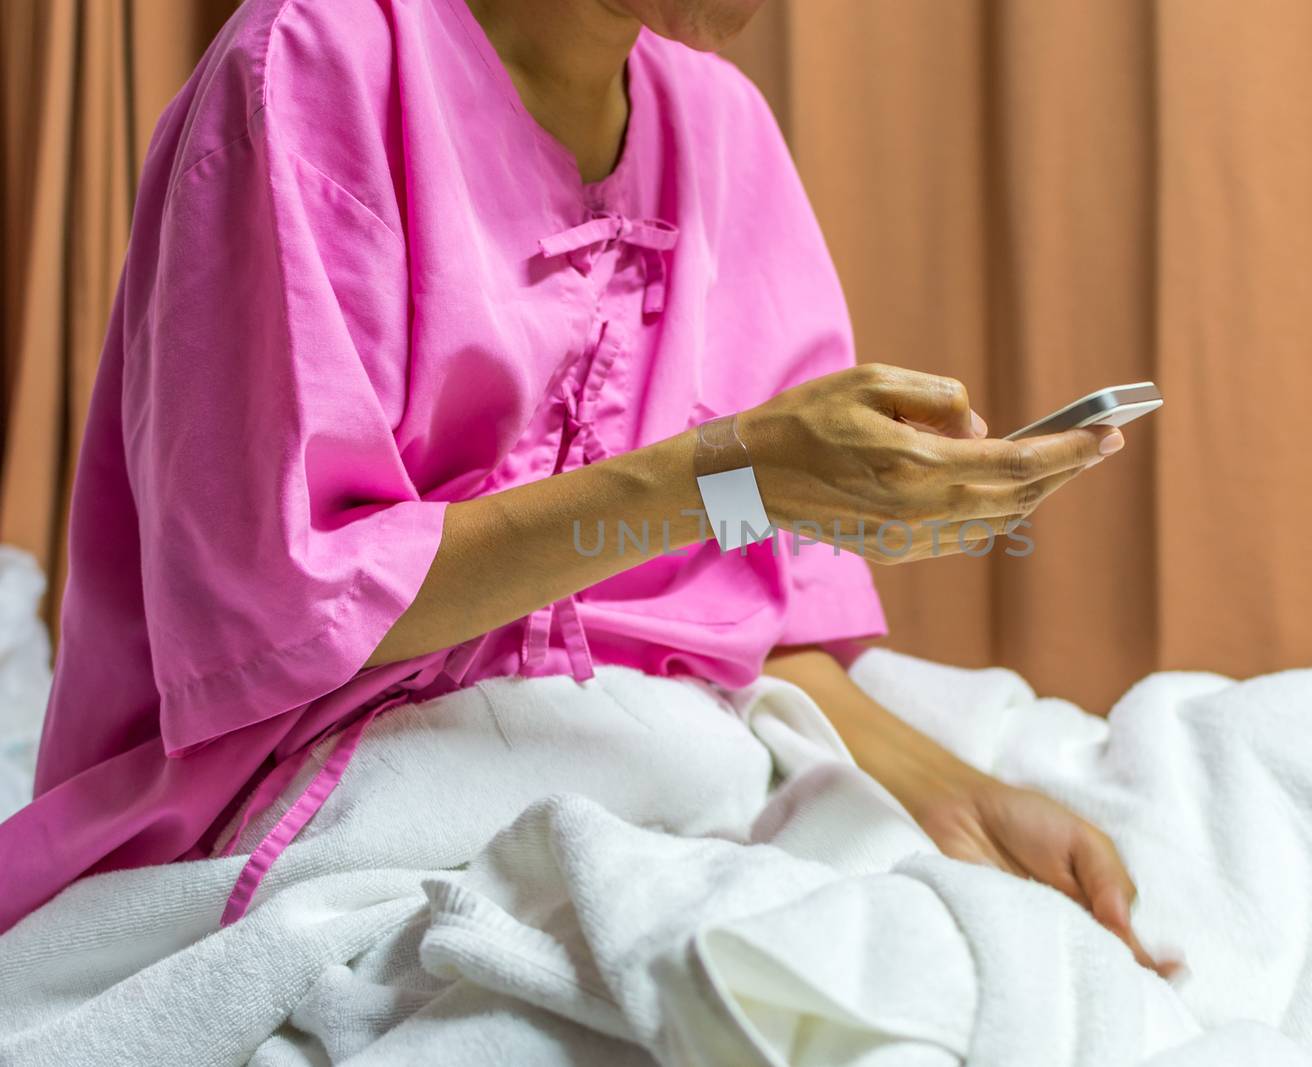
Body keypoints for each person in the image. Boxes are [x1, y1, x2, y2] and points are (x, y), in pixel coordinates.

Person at [0, 0, 1176, 974]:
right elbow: (291, 613)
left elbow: (755, 614)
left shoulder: (724, 125)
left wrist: (941, 782)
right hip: (315, 762)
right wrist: (731, 471)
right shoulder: (314, 62)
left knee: (976, 957)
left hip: (665, 739)